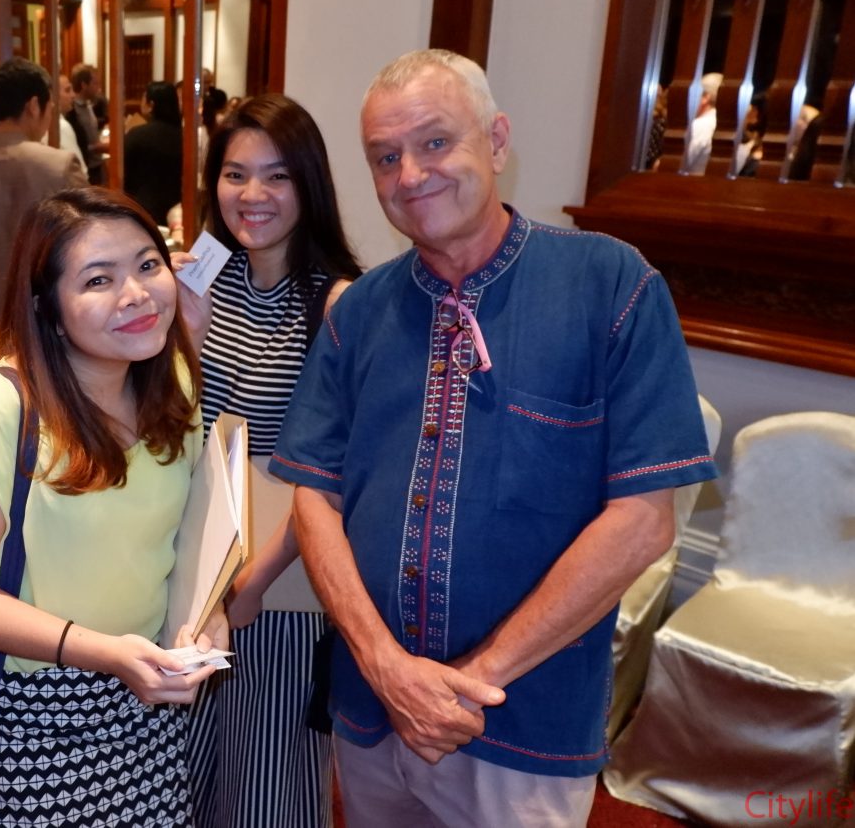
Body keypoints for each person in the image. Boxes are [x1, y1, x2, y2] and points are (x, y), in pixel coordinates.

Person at [270, 49, 718, 826]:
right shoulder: (359, 312)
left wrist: (471, 682)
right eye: (385, 157)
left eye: (435, 142)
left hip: (524, 722)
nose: (411, 174)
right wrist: (385, 666)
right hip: (372, 710)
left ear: (498, 141)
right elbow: (315, 496)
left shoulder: (611, 285)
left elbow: (644, 521)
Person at [0, 186, 224, 827]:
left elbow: (185, 537)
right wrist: (105, 655)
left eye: (148, 265)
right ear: (48, 309)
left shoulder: (172, 384)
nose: (136, 294)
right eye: (98, 280)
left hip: (147, 700)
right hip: (28, 710)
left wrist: (207, 613)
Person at [186, 93, 362, 828]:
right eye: (235, 174)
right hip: (192, 561)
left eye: (277, 176)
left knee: (267, 782)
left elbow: (334, 473)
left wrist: (254, 582)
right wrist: (185, 332)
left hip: (279, 579)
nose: (252, 194)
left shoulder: (338, 303)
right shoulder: (201, 275)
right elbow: (177, 422)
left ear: (308, 184)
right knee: (186, 768)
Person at [0, 57, 86, 342]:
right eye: (50, 107)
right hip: (54, 328)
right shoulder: (60, 166)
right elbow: (86, 248)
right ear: (34, 105)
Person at [124, 81, 184, 227]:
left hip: (141, 210)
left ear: (151, 105)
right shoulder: (185, 137)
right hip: (178, 209)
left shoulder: (137, 135)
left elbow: (124, 174)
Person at [66, 63, 108, 184]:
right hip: (86, 168)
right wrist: (99, 147)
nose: (98, 88)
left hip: (97, 164)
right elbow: (76, 144)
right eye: (95, 83)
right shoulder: (72, 111)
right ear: (84, 85)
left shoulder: (88, 104)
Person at [682, 71, 722, 175]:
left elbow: (677, 164)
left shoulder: (700, 125)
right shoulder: (722, 125)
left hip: (689, 183)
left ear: (705, 97)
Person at [54, 73, 86, 172]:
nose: (73, 95)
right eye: (67, 90)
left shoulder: (67, 119)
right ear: (53, 95)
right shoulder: (61, 126)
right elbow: (80, 171)